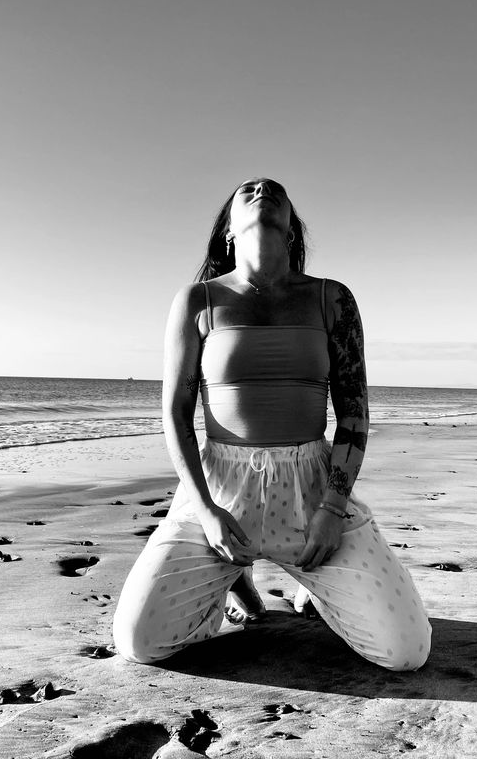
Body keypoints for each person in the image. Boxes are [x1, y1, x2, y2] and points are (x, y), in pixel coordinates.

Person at [113, 177, 431, 671]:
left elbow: (353, 414)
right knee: (139, 642)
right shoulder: (198, 301)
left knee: (406, 652)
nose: (262, 188)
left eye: (274, 190)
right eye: (247, 191)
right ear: (228, 232)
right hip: (222, 491)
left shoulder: (332, 299)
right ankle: (228, 585)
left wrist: (332, 509)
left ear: (292, 229)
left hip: (311, 489)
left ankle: (318, 592)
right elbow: (175, 413)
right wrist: (206, 510)